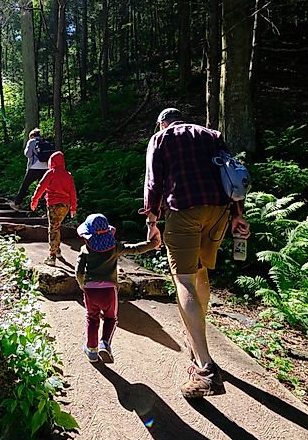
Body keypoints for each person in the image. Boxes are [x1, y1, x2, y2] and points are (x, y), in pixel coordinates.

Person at [141, 107, 250, 398]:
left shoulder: (160, 139)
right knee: (200, 271)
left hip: (184, 211)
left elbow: (154, 183)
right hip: (218, 212)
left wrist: (152, 222)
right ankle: (197, 339)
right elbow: (232, 173)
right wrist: (238, 215)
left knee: (184, 280)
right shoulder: (211, 135)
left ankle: (204, 367)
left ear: (162, 122)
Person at [75, 213, 161, 363]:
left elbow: (79, 271)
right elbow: (135, 249)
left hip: (90, 290)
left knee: (92, 318)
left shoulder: (85, 250)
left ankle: (92, 350)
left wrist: (82, 284)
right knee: (110, 318)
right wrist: (153, 243)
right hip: (109, 291)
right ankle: (105, 343)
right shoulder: (115, 247)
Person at [30, 151, 77, 266]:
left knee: (53, 228)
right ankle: (58, 250)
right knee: (57, 226)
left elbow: (41, 186)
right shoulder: (68, 175)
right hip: (65, 206)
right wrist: (73, 207)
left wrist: (34, 200)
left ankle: (52, 256)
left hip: (54, 205)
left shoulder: (51, 173)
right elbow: (73, 192)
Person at [12, 128, 49, 209]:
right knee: (43, 188)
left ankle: (17, 204)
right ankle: (44, 208)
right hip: (45, 168)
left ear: (32, 135)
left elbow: (28, 154)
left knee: (25, 186)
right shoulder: (45, 142)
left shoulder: (32, 141)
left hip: (34, 167)